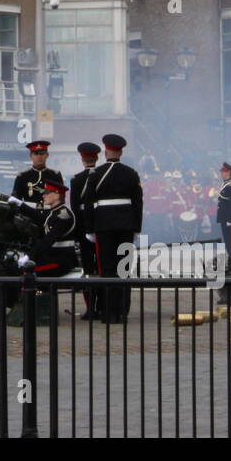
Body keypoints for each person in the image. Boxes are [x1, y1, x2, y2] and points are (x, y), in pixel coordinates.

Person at [79, 133, 143, 325]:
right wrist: (136, 227)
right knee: (123, 268)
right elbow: (138, 203)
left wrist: (90, 229)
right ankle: (122, 311)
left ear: (105, 151)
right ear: (121, 152)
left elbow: (89, 203)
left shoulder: (95, 174)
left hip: (103, 226)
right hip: (125, 225)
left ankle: (108, 313)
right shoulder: (131, 173)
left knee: (106, 269)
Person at [68, 142, 102, 320]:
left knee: (88, 270)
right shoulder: (103, 176)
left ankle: (91, 308)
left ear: (82, 159)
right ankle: (103, 306)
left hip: (83, 229)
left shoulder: (76, 180)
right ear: (97, 158)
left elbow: (74, 208)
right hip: (101, 227)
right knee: (103, 269)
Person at [215, 162, 231, 261]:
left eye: (224, 172)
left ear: (229, 172)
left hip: (229, 219)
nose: (222, 173)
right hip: (224, 218)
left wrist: (229, 219)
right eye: (222, 172)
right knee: (227, 241)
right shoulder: (225, 185)